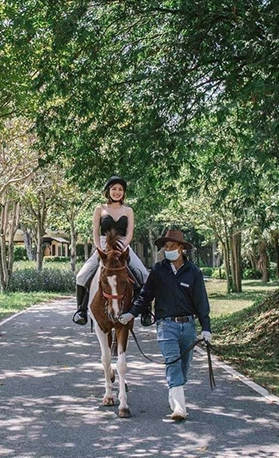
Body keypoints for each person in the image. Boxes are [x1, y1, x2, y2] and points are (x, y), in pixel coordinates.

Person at [119, 229, 211, 421]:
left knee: (184, 366)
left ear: (181, 248)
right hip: (166, 325)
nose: (168, 250)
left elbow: (201, 301)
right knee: (172, 361)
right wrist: (131, 314)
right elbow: (145, 296)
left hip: (188, 326)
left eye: (172, 247)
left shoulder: (193, 272)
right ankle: (179, 406)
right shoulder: (158, 271)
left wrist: (207, 328)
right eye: (166, 247)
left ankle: (175, 391)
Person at [72, 176, 150, 325]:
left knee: (144, 274)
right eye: (114, 189)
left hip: (123, 246)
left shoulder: (128, 210)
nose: (117, 192)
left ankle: (146, 312)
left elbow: (130, 233)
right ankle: (81, 311)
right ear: (108, 191)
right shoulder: (100, 209)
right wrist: (99, 248)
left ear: (124, 193)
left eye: (120, 189)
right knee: (81, 276)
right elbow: (95, 231)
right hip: (103, 246)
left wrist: (124, 246)